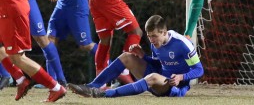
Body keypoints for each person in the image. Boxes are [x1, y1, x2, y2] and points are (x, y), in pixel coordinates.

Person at [68, 15, 204, 98]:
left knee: (153, 77)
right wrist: (143, 56)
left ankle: (106, 94)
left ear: (163, 32)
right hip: (158, 80)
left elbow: (199, 70)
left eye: (154, 36)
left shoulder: (182, 44)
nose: (151, 40)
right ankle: (92, 87)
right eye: (149, 36)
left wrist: (181, 77)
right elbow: (159, 64)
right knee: (127, 56)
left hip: (175, 87)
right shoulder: (155, 43)